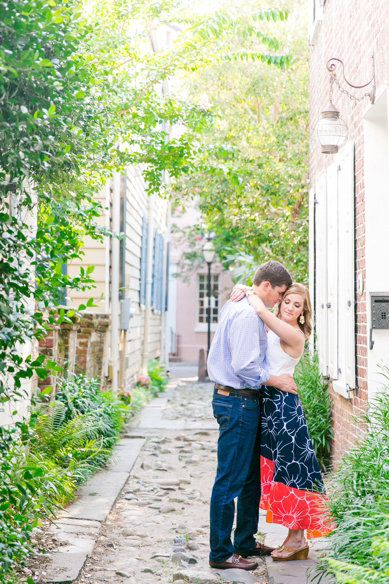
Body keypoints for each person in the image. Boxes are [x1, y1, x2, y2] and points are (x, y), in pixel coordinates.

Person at [230, 282, 333, 561]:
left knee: (292, 470)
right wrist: (242, 287)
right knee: (276, 471)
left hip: (284, 410)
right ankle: (292, 536)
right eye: (286, 301)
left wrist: (249, 292)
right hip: (268, 405)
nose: (289, 307)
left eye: (296, 305)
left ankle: (298, 538)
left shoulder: (294, 334)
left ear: (303, 312)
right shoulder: (275, 326)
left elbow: (263, 312)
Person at [207, 260, 297, 572]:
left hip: (241, 402)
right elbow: (246, 367)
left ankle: (244, 541)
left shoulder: (244, 301)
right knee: (230, 479)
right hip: (237, 402)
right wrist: (277, 380)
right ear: (267, 286)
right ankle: (220, 552)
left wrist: (245, 290)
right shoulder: (247, 313)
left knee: (248, 480)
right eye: (280, 293)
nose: (280, 300)